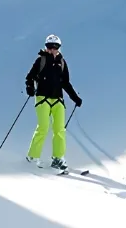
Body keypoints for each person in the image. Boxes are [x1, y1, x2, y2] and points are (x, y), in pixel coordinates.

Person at [24, 34, 82, 170]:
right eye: (49, 46)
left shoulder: (62, 62)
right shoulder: (41, 60)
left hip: (58, 100)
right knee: (43, 127)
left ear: (59, 48)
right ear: (46, 47)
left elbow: (65, 83)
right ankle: (33, 156)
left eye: (55, 47)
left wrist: (75, 97)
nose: (52, 49)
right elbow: (30, 77)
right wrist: (30, 87)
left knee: (60, 130)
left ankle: (58, 158)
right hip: (42, 98)